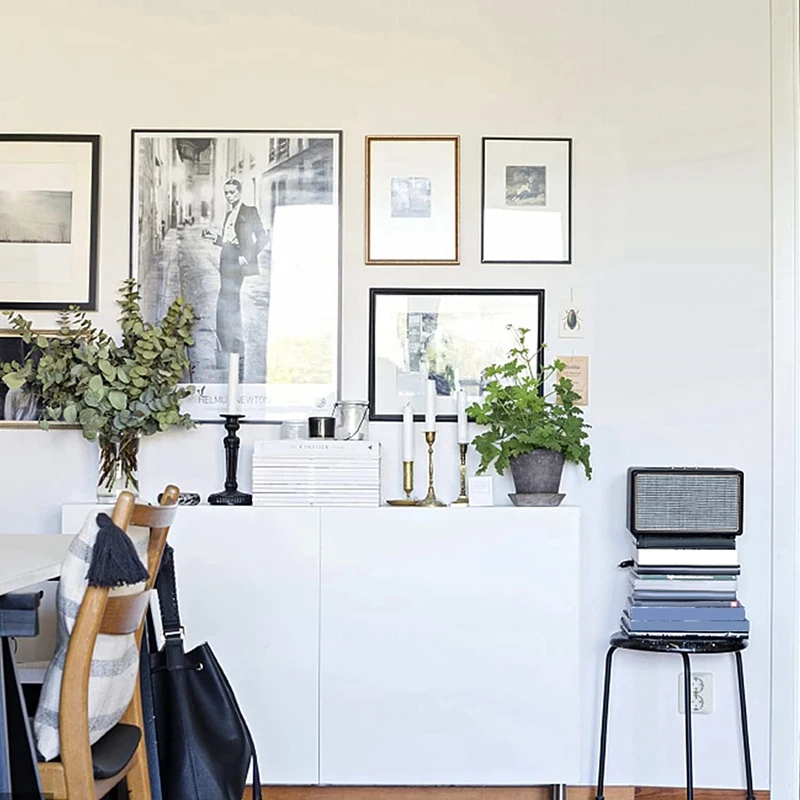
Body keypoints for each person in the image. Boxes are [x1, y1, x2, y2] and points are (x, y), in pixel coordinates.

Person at [202, 179, 268, 371]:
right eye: (226, 193)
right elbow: (228, 241)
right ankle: (227, 344)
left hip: (238, 262)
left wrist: (247, 257)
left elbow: (263, 237)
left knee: (229, 301)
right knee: (225, 301)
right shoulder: (229, 214)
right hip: (226, 260)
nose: (229, 196)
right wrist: (216, 238)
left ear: (240, 192)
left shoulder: (250, 211)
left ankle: (234, 346)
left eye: (232, 192)